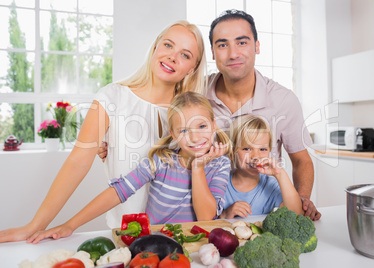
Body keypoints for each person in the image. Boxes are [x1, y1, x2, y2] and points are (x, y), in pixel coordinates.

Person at [0, 20, 207, 243]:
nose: (172, 57)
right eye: (168, 45)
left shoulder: (193, 113)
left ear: (192, 68)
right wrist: (35, 226)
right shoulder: (113, 97)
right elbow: (78, 162)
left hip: (182, 236)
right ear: (156, 47)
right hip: (127, 233)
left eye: (185, 55)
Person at [27, 91, 232, 243]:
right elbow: (118, 191)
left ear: (214, 125)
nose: (195, 137)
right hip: (154, 247)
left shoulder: (221, 164)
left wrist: (197, 167)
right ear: (173, 133)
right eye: (184, 130)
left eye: (202, 126)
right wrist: (70, 225)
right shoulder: (161, 161)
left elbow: (206, 217)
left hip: (198, 249)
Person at [207, 10, 321, 220]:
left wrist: (300, 202)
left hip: (266, 213)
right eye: (222, 45)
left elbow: (302, 161)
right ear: (212, 52)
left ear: (257, 47)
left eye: (242, 42)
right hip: (214, 214)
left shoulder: (283, 100)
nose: (233, 54)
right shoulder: (197, 94)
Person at [219, 115, 303, 219]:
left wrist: (280, 174)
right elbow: (206, 221)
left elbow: (297, 214)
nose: (255, 156)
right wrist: (225, 215)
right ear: (232, 151)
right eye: (247, 149)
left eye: (262, 149)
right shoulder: (220, 183)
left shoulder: (271, 185)